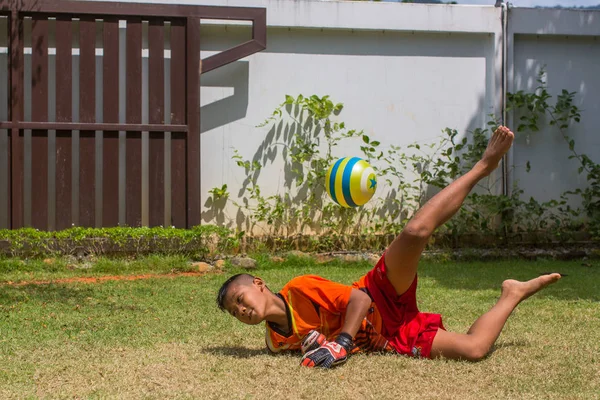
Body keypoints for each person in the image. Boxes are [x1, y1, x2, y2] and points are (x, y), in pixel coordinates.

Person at [216, 126, 561, 368]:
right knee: (473, 349)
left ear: (259, 284)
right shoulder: (276, 343)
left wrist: (343, 342)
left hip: (377, 293)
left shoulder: (300, 290)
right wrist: (322, 343)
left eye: (240, 300)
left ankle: (483, 166)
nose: (242, 311)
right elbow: (310, 345)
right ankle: (511, 293)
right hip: (390, 334)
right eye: (235, 312)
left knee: (415, 231)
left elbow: (360, 299)